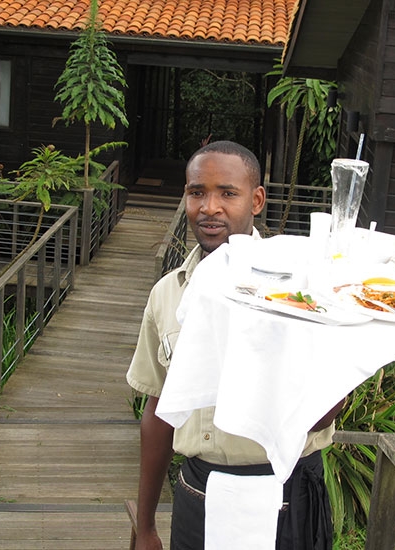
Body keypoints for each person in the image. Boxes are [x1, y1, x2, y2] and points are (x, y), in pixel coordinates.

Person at [126, 140, 343, 550]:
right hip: (197, 495)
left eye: (227, 193)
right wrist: (146, 525)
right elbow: (158, 410)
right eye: (197, 193)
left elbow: (322, 415)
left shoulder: (299, 287)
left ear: (257, 200)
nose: (210, 207)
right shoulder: (167, 295)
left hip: (285, 497)